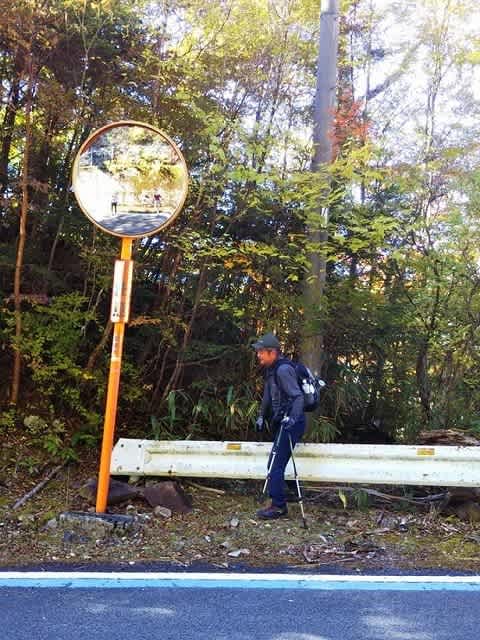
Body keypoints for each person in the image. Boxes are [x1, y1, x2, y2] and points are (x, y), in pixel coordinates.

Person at [252, 332, 305, 519]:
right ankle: (289, 493)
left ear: (272, 352)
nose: (258, 355)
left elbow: (298, 397)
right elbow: (268, 395)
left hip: (291, 423)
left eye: (261, 352)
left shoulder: (283, 370)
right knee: (276, 462)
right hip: (282, 421)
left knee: (274, 464)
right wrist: (261, 416)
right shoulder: (272, 369)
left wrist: (292, 419)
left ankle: (278, 506)